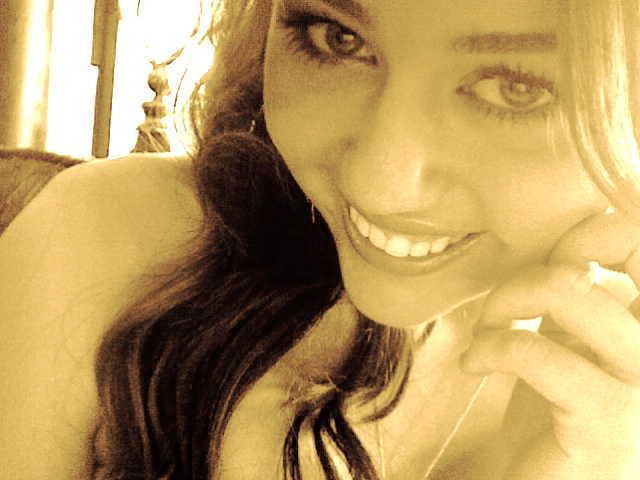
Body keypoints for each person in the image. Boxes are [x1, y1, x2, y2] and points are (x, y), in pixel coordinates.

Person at [1, 0, 640, 478]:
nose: (379, 183)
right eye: (338, 38)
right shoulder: (109, 243)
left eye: (515, 88)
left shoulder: (609, 409)